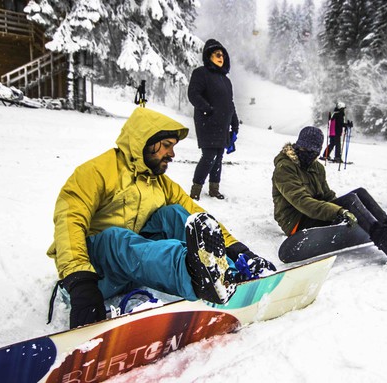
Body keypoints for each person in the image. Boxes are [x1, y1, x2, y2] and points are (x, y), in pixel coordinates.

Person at [47, 108, 275, 329]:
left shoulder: (161, 184)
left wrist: (237, 249)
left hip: (135, 267)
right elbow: (69, 222)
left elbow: (196, 216)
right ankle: (197, 277)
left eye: (173, 147)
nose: (172, 154)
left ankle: (226, 273)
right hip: (95, 277)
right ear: (144, 141)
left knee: (174, 214)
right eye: (167, 146)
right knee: (115, 237)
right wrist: (80, 283)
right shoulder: (96, 172)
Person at [272, 126, 387, 271]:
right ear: (298, 146)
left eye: (314, 151)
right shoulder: (285, 168)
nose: (309, 154)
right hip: (296, 221)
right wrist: (339, 209)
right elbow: (302, 202)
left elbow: (326, 196)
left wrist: (341, 206)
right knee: (350, 201)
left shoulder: (316, 167)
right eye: (305, 150)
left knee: (359, 193)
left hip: (314, 214)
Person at [187, 38, 239, 200]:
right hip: (207, 122)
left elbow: (230, 103)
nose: (220, 57)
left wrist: (235, 123)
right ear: (208, 56)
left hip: (223, 123)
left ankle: (214, 188)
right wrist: (208, 110)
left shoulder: (226, 80)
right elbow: (193, 94)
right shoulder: (201, 73)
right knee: (209, 155)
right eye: (217, 54)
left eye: (222, 55)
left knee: (219, 156)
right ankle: (196, 189)